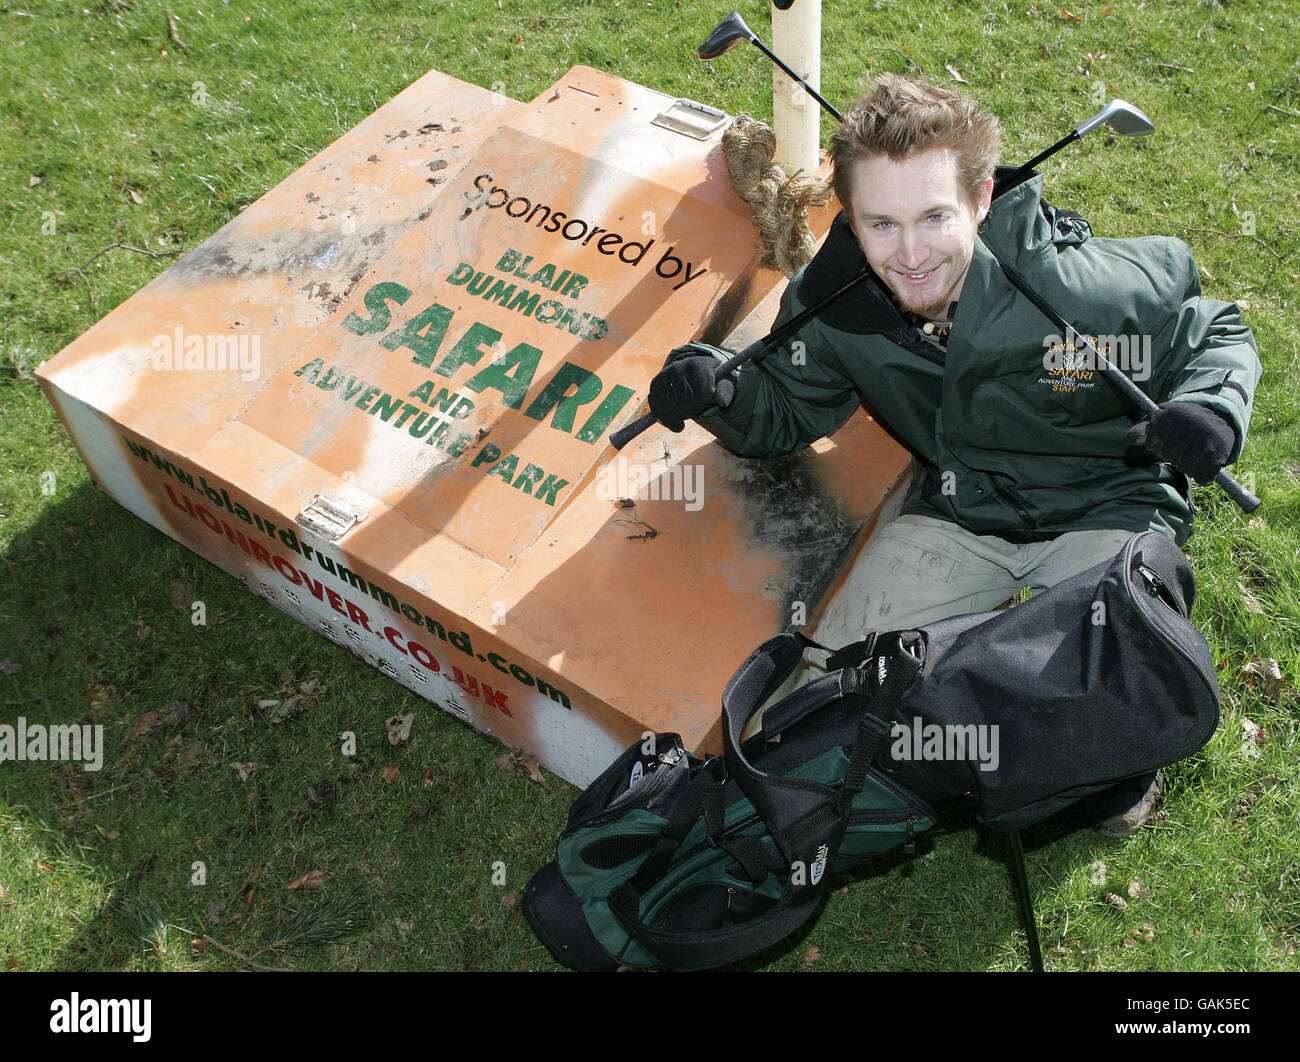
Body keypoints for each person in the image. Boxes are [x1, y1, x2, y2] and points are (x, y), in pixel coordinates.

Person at [647, 74, 1261, 836]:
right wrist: (717, 393)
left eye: (935, 216)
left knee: (1114, 693)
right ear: (850, 215)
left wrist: (1211, 408)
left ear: (981, 202)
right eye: (880, 224)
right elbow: (787, 405)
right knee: (833, 687)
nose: (909, 255)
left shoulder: (1077, 291)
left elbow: (1212, 331)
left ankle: (1117, 758)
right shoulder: (837, 300)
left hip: (1108, 502)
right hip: (962, 511)